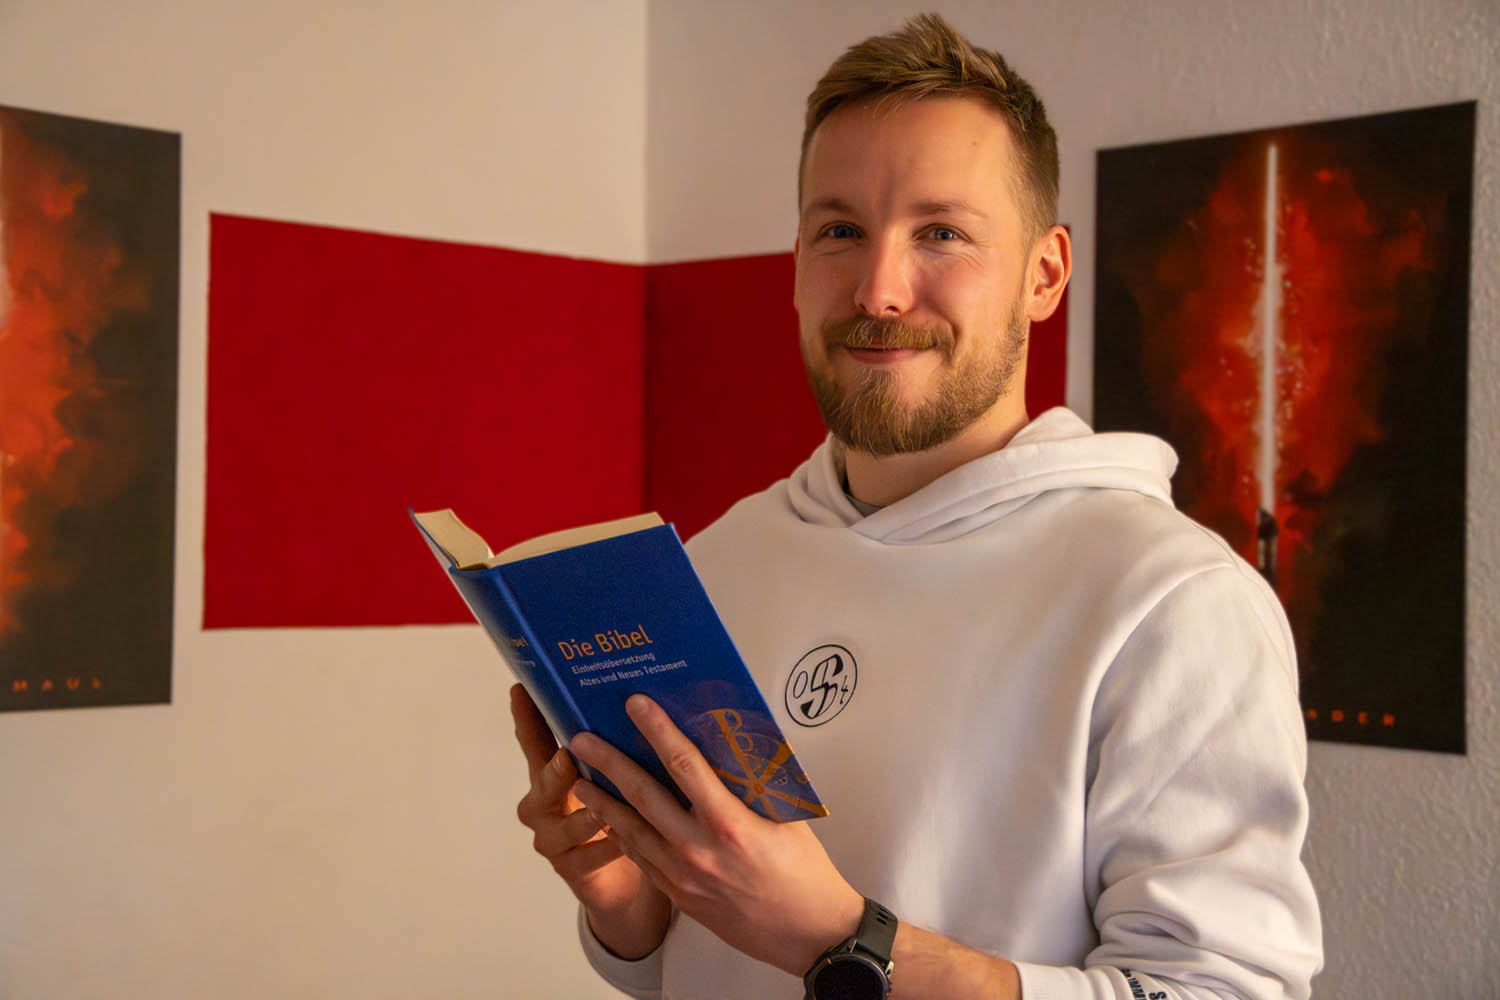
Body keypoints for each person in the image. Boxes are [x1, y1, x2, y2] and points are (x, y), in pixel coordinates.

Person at [509, 12, 1322, 1000]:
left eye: (941, 232)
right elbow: (690, 968)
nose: (880, 288)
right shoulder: (713, 568)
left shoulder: (1174, 602)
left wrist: (844, 941)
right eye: (841, 231)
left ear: (1045, 273)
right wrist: (632, 901)